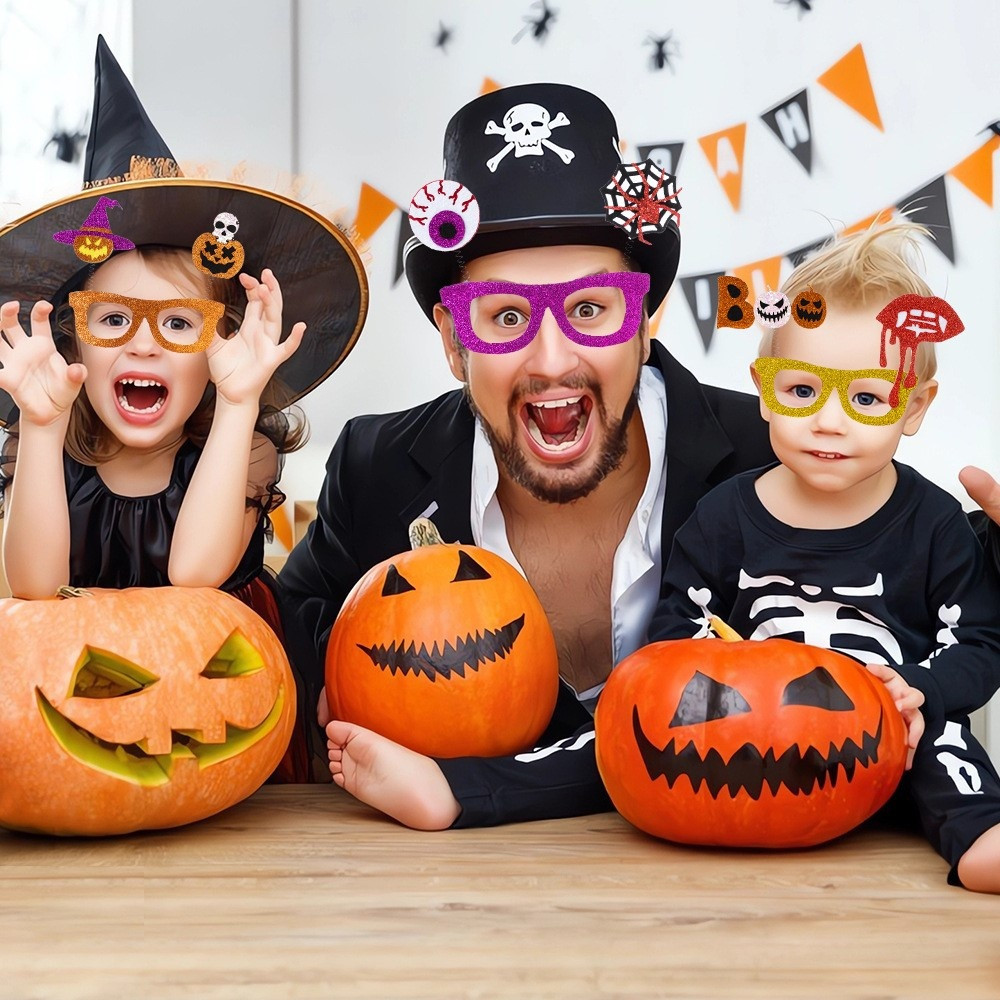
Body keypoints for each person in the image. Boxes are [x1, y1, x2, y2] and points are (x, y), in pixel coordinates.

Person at [277, 82, 776, 823]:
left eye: (589, 309)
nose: (551, 360)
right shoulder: (376, 468)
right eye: (506, 317)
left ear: (644, 321)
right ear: (454, 343)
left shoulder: (771, 458)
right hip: (453, 887)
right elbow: (285, 641)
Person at [0, 37, 368, 781]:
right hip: (77, 696)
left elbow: (196, 573)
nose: (143, 345)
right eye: (112, 320)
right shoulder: (46, 448)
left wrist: (238, 403)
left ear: (219, 345)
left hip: (214, 696)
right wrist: (40, 427)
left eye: (178, 324)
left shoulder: (244, 447)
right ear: (74, 340)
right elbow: (32, 590)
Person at [648, 221, 1000, 892]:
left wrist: (920, 689)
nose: (829, 420)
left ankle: (980, 831)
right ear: (765, 390)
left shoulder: (935, 525)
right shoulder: (722, 517)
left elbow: (978, 642)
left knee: (944, 739)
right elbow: (676, 631)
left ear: (914, 407)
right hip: (755, 740)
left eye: (866, 397)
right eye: (803, 391)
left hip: (890, 734)